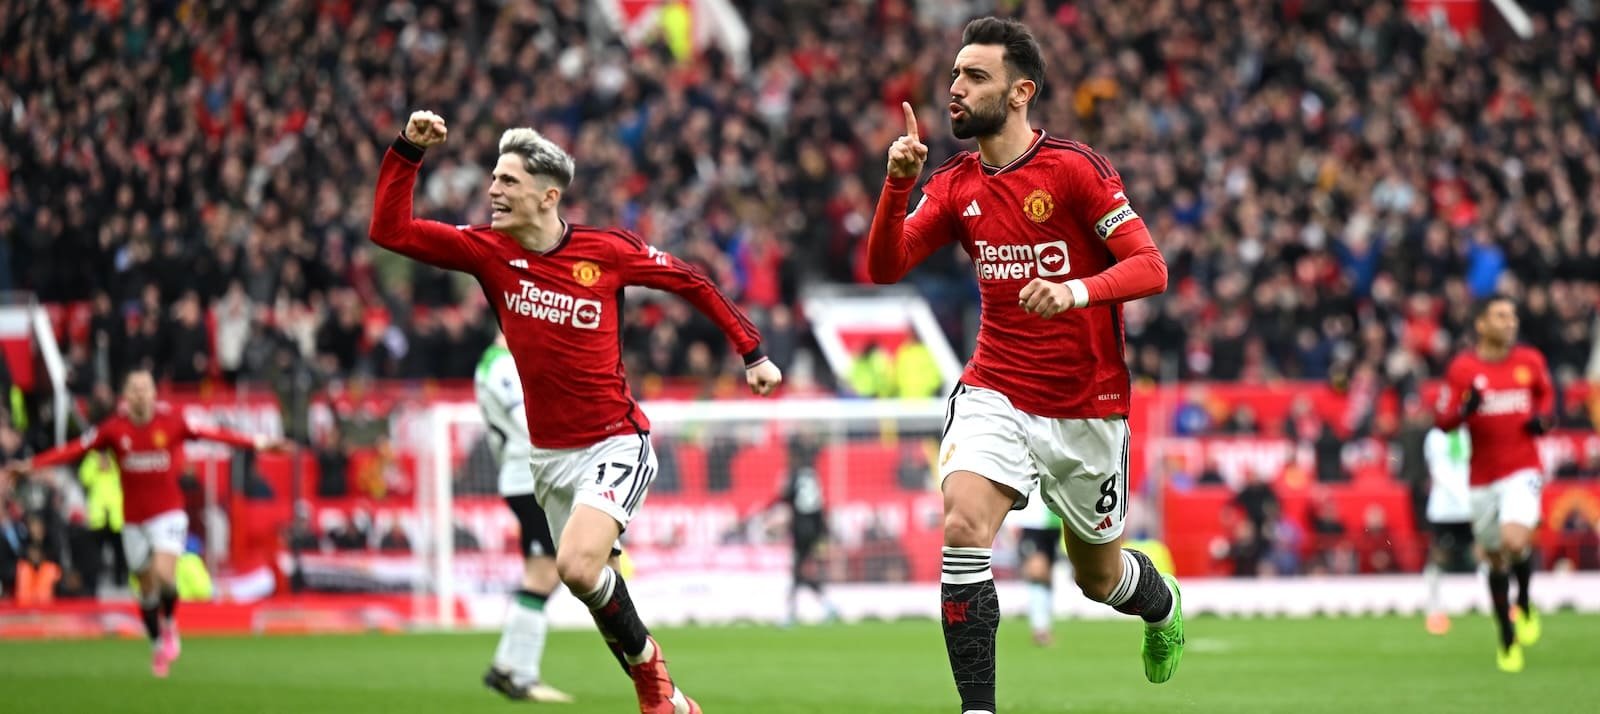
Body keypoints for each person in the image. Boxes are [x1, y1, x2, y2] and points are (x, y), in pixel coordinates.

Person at [370, 111, 782, 714]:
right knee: (587, 582)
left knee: (576, 565)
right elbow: (390, 230)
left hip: (616, 439)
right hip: (548, 458)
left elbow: (691, 280)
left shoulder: (605, 251)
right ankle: (670, 699)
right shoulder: (487, 251)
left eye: (508, 181)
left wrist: (753, 351)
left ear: (548, 196)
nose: (493, 190)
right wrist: (408, 150)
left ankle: (653, 685)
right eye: (494, 178)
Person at [865, 17, 1181, 712]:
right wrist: (896, 187)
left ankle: (1161, 605)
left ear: (1019, 93)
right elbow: (886, 267)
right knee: (962, 527)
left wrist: (1074, 291)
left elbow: (1150, 266)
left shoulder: (1074, 170)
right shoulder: (954, 184)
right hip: (997, 390)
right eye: (954, 74)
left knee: (1098, 580)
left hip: (1088, 406)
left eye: (975, 76)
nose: (955, 87)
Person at [1, 369, 281, 676]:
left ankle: (170, 623)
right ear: (126, 395)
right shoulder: (114, 429)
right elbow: (75, 448)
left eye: (145, 388)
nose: (140, 394)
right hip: (133, 520)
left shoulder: (172, 422)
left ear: (153, 393)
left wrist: (259, 442)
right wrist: (31, 465)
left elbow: (215, 434)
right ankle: (157, 642)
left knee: (164, 575)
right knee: (146, 589)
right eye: (134, 388)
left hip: (168, 512)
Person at [1434, 294, 1553, 672]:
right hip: (1482, 477)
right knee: (1494, 556)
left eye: (1512, 315)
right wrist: (1464, 410)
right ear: (1481, 324)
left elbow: (1546, 395)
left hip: (1524, 468)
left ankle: (1525, 602)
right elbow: (1443, 420)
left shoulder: (1529, 361)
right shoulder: (1463, 368)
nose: (1510, 322)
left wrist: (1543, 419)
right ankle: (1506, 634)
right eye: (1501, 316)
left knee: (1514, 540)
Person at [475, 334, 574, 703]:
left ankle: (506, 667)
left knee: (544, 573)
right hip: (529, 477)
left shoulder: (498, 362)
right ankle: (521, 675)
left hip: (526, 476)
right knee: (545, 574)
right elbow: (527, 420)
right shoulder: (502, 364)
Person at [772, 432, 839, 627]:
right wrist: (823, 532)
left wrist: (772, 509)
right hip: (814, 529)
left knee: (797, 572)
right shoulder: (811, 474)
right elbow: (818, 505)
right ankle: (822, 607)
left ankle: (793, 614)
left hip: (801, 530)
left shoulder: (794, 475)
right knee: (798, 572)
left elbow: (785, 498)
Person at [1422, 425, 1473, 635]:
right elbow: (1438, 471)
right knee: (1439, 556)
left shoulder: (1470, 432)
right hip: (1444, 508)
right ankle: (1434, 608)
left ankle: (1502, 602)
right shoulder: (1435, 436)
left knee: (1487, 552)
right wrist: (1463, 496)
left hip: (1471, 505)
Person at [1007, 492, 1062, 646]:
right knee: (1037, 572)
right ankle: (1040, 629)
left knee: (1047, 575)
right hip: (1031, 522)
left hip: (1057, 520)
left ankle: (1044, 626)